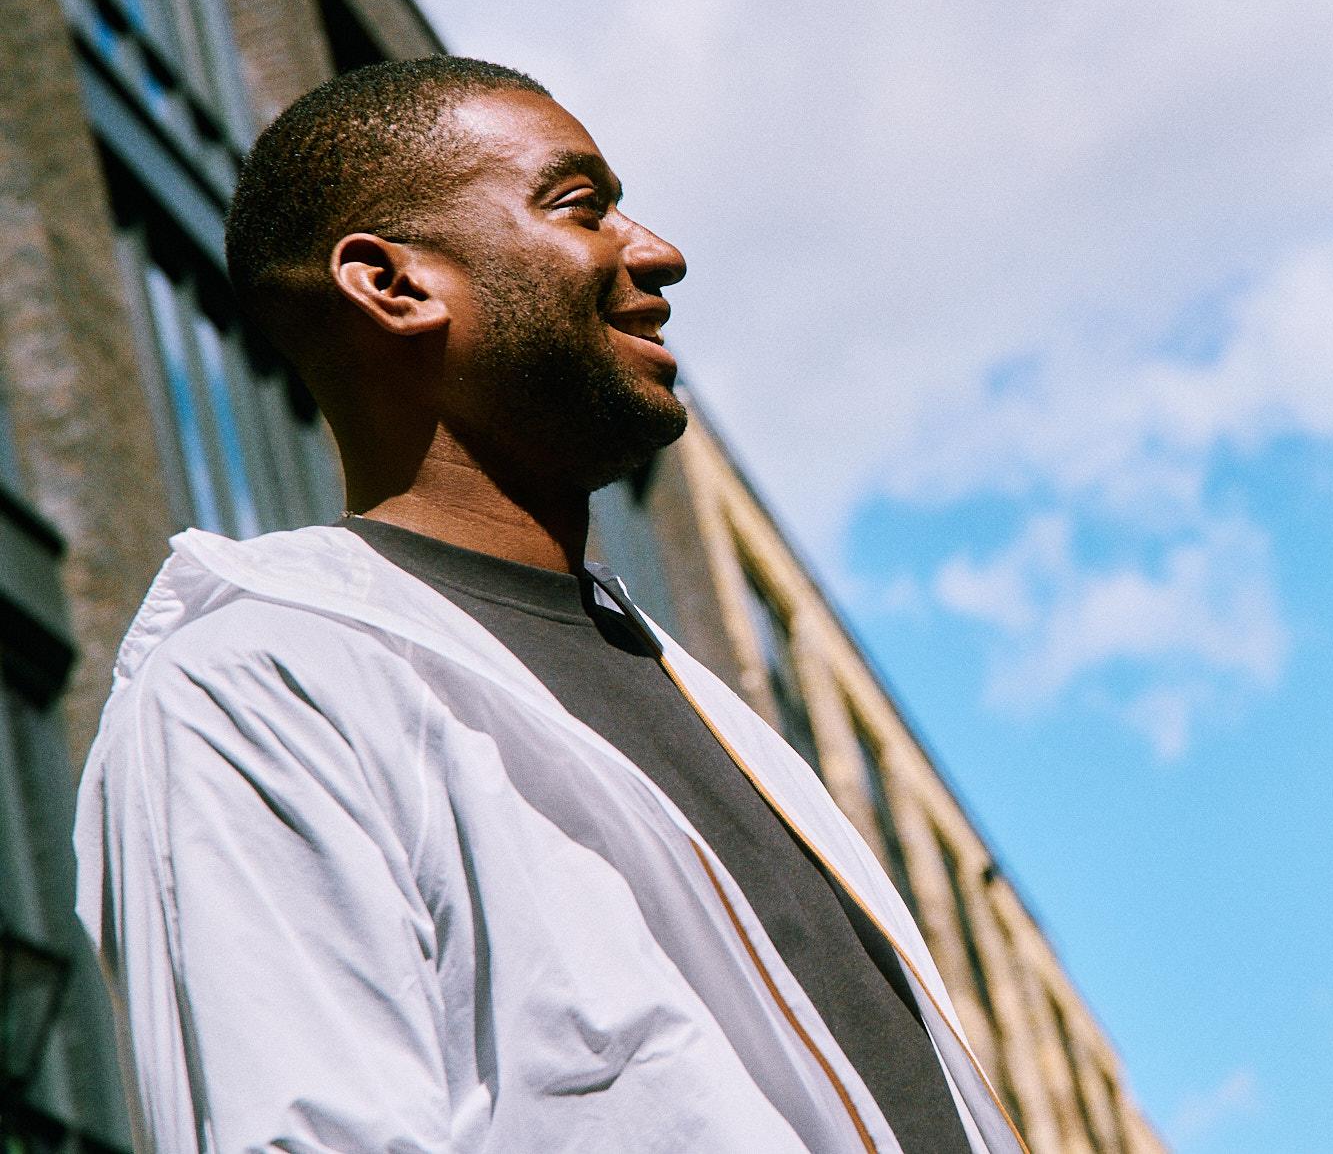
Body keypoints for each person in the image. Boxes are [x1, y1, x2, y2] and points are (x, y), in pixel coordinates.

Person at [74, 56, 1020, 1154]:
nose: (659, 251)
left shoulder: (693, 694)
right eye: (582, 206)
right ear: (394, 285)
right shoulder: (256, 689)